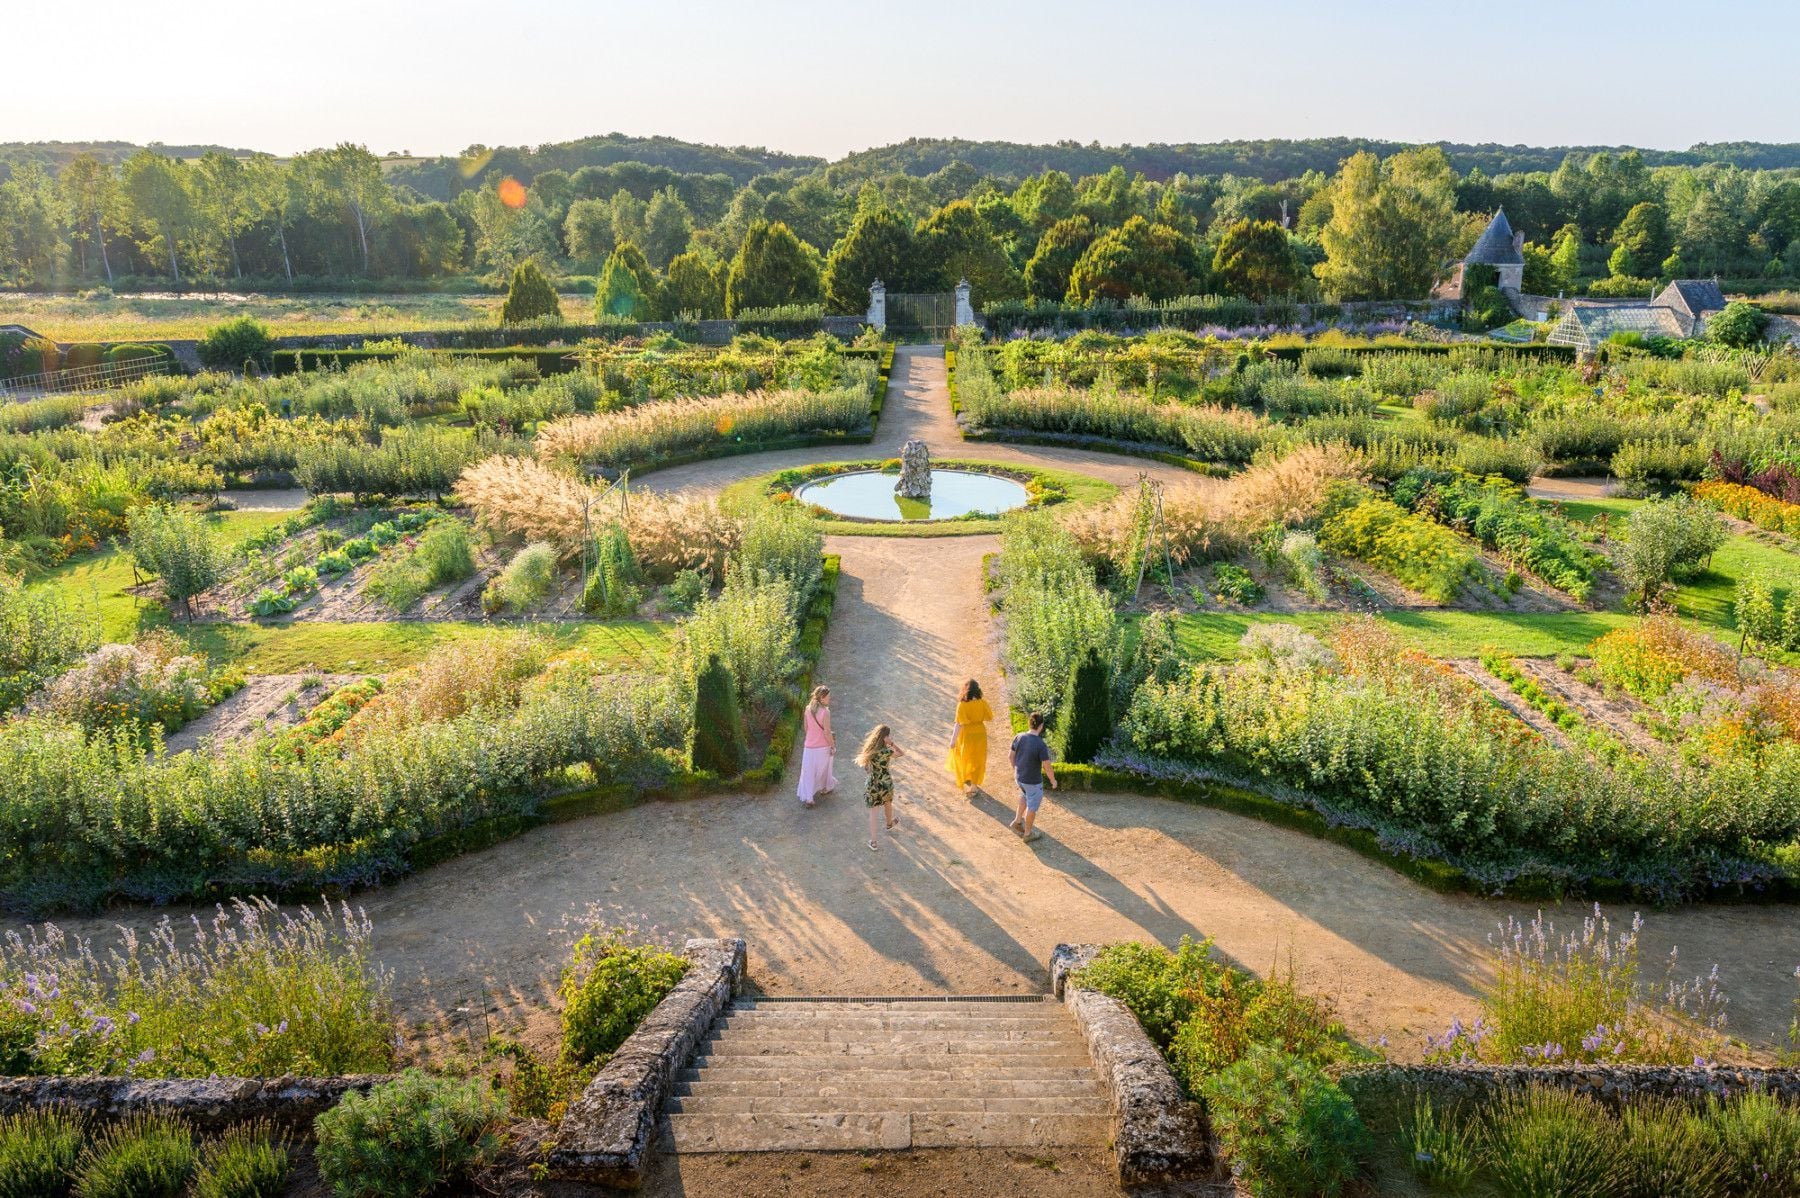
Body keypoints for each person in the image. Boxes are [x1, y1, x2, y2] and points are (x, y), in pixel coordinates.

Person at [1008, 712, 1058, 843]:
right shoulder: (1040, 744)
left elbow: (1010, 757)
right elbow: (1047, 766)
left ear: (1029, 723)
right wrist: (1053, 781)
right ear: (1041, 726)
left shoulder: (1018, 737)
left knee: (1024, 796)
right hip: (1033, 782)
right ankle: (1028, 833)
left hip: (1020, 778)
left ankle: (1017, 822)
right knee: (1032, 806)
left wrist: (1016, 769)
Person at [856, 723, 905, 851]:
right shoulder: (887, 751)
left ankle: (873, 842)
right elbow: (901, 753)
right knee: (888, 803)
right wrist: (892, 743)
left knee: (874, 813)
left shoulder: (870, 751)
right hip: (886, 783)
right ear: (885, 737)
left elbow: (866, 767)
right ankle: (889, 823)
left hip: (873, 784)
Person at [946, 678, 993, 797]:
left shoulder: (962, 705)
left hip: (967, 734)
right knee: (978, 758)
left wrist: (953, 740)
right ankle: (974, 786)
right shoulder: (982, 702)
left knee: (965, 756)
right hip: (980, 733)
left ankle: (966, 776)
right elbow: (989, 716)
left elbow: (958, 724)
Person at [796, 685, 836, 807]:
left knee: (808, 772)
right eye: (828, 697)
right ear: (822, 698)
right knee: (824, 768)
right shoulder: (825, 712)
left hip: (809, 746)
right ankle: (826, 787)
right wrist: (832, 746)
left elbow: (806, 728)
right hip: (822, 747)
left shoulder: (808, 709)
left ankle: (809, 798)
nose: (830, 699)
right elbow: (827, 732)